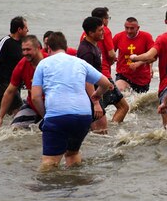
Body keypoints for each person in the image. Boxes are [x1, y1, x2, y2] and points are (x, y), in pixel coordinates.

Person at [30, 31, 113, 170]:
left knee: (50, 162)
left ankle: (49, 191)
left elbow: (35, 97)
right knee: (72, 154)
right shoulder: (80, 62)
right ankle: (77, 186)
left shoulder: (43, 64)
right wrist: (97, 95)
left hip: (57, 115)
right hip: (83, 116)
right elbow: (106, 83)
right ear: (66, 47)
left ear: (48, 48)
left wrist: (46, 116)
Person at [78, 17, 128, 132]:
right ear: (91, 33)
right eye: (100, 30)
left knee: (123, 107)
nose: (103, 32)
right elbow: (87, 80)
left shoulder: (94, 45)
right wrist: (95, 103)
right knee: (100, 131)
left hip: (101, 86)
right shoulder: (87, 52)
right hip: (93, 92)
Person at [0, 35, 46, 128]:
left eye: (28, 49)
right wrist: (0, 117)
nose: (25, 53)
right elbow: (10, 91)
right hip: (33, 106)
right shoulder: (21, 65)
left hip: (52, 105)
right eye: (23, 50)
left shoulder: (50, 60)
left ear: (38, 48)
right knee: (15, 128)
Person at [0, 16, 29, 115]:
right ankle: (16, 129)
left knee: (8, 112)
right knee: (19, 109)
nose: (28, 30)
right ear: (19, 29)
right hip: (2, 83)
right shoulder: (4, 42)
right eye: (26, 28)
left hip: (15, 83)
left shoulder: (23, 44)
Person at [112, 17, 154, 94]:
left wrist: (139, 63)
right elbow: (110, 53)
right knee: (119, 91)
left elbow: (153, 56)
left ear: (138, 28)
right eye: (127, 28)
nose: (129, 31)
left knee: (139, 102)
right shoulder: (118, 37)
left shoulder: (146, 37)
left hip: (142, 77)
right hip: (123, 74)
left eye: (132, 28)